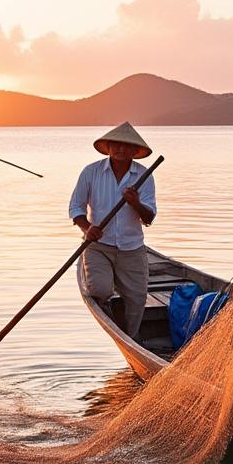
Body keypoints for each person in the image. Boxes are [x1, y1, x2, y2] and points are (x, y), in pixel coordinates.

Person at [69, 122, 157, 339]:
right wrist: (88, 228)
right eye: (115, 145)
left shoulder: (144, 176)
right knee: (100, 289)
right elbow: (76, 207)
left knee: (137, 300)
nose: (120, 149)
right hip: (98, 246)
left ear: (135, 151)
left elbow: (149, 218)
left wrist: (135, 203)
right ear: (107, 147)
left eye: (126, 146)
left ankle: (131, 339)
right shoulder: (91, 172)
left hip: (132, 248)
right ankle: (109, 308)